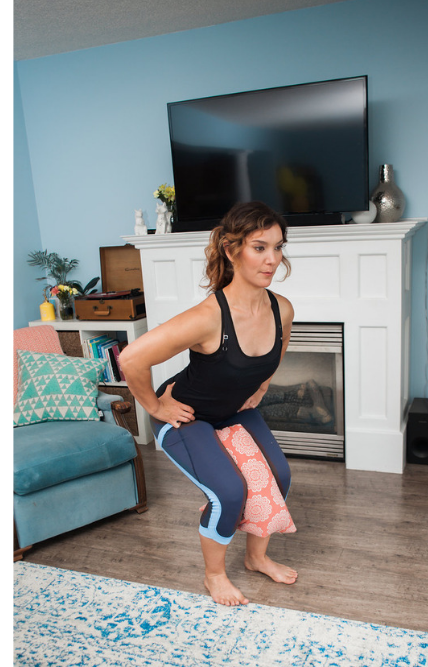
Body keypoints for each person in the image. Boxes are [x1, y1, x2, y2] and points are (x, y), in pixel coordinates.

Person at [119, 201, 296, 607]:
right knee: (229, 491)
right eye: (260, 248)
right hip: (187, 417)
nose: (273, 259)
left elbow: (279, 347)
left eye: (278, 247)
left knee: (278, 477)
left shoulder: (281, 308)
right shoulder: (208, 316)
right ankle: (214, 574)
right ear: (232, 251)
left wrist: (263, 385)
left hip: (234, 409)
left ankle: (255, 558)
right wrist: (155, 408)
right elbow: (131, 359)